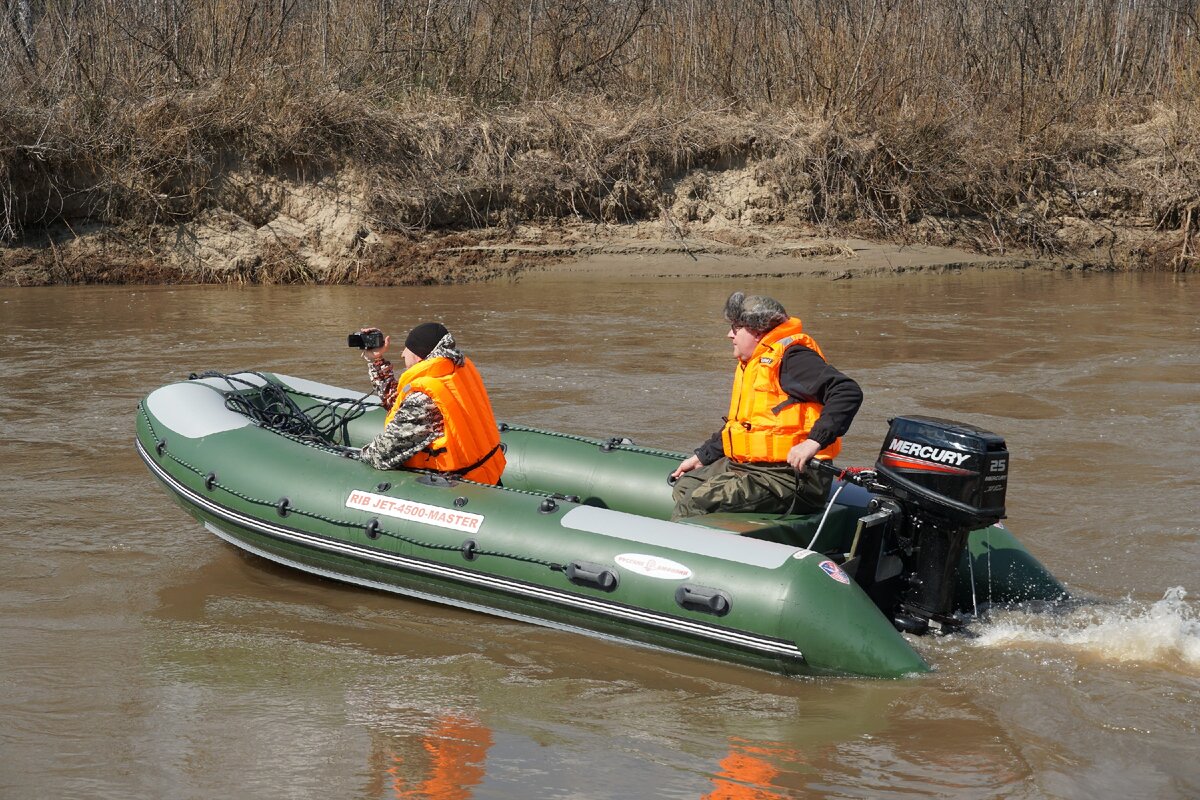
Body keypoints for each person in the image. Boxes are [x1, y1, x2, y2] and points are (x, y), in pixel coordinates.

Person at [670, 291, 862, 520]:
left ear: (757, 331)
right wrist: (702, 456)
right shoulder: (753, 363)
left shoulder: (792, 359)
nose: (729, 335)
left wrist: (813, 442)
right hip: (751, 467)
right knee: (686, 485)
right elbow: (749, 426)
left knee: (699, 501)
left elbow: (846, 391)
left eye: (736, 328)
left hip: (790, 476)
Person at [353, 321, 506, 485]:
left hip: (454, 490)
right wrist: (376, 361)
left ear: (418, 356)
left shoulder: (423, 400)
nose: (402, 354)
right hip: (485, 478)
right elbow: (398, 402)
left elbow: (383, 454)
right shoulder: (453, 371)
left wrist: (354, 455)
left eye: (407, 349)